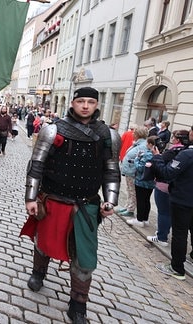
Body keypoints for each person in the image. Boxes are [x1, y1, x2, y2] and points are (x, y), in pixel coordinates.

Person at [20, 87, 120, 324]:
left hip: (86, 207)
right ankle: (38, 272)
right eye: (81, 101)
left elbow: (112, 170)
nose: (85, 106)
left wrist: (110, 200)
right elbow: (36, 166)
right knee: (43, 244)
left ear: (97, 105)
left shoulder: (108, 135)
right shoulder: (52, 129)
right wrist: (31, 198)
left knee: (84, 258)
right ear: (73, 103)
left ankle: (78, 304)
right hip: (53, 201)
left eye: (91, 102)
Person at [151, 125, 193, 280]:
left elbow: (167, 173)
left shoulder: (187, 154)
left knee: (180, 234)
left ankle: (177, 267)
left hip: (183, 199)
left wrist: (157, 157)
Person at [146, 130, 190, 246]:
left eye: (174, 138)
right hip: (179, 190)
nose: (172, 140)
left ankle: (162, 237)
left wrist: (157, 156)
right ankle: (163, 232)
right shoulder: (184, 151)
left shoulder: (179, 152)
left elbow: (165, 171)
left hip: (166, 185)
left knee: (164, 212)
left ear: (178, 139)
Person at [117, 127, 148, 218]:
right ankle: (127, 206)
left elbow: (141, 158)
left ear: (138, 134)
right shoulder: (137, 144)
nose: (133, 134)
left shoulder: (142, 145)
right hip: (129, 171)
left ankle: (130, 209)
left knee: (133, 191)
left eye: (134, 133)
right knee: (129, 190)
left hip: (134, 172)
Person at [126, 136, 157, 227]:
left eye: (148, 143)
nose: (146, 145)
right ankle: (145, 219)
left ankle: (139, 219)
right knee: (147, 200)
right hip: (151, 182)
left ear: (151, 144)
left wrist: (136, 160)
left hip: (142, 181)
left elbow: (140, 168)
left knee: (141, 200)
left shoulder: (147, 154)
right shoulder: (158, 154)